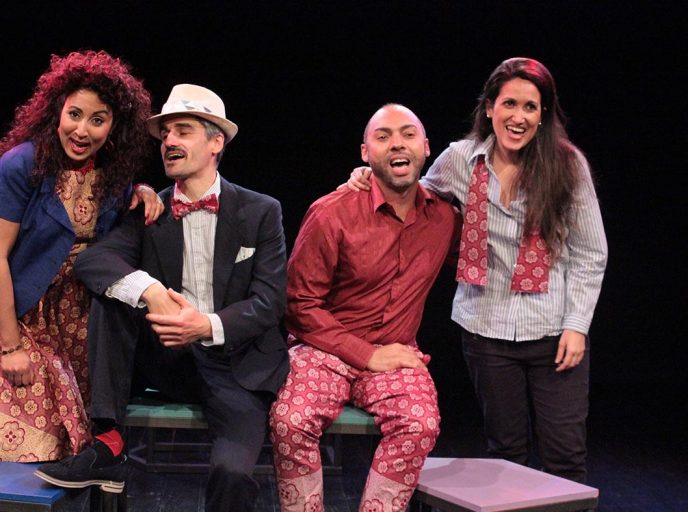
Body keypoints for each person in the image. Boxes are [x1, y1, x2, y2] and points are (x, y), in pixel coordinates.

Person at [348, 58, 608, 482]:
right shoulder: (462, 159)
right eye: (509, 104)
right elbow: (412, 193)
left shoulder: (567, 165)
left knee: (565, 456)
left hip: (554, 331)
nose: (518, 117)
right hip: (485, 329)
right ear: (490, 108)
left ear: (543, 115)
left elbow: (590, 252)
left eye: (530, 107)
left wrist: (577, 326)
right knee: (506, 452)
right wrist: (368, 176)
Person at [34, 84, 289, 508]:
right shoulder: (150, 210)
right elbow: (93, 262)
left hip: (236, 368)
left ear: (216, 143)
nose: (169, 141)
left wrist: (205, 325)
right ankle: (108, 443)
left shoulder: (261, 211)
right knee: (115, 293)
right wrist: (150, 290)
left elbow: (269, 302)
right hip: (168, 362)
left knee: (232, 472)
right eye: (166, 133)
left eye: (183, 131)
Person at [0, 50, 164, 463]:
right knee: (24, 447)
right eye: (74, 114)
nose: (82, 130)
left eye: (98, 119)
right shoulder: (23, 165)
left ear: (114, 126)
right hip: (15, 312)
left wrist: (143, 190)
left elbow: (117, 217)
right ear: (57, 111)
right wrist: (10, 346)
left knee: (75, 444)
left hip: (74, 318)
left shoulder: (113, 173)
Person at [270, 104, 457, 511]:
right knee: (290, 420)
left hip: (396, 350)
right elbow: (298, 304)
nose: (397, 144)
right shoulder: (331, 212)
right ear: (365, 153)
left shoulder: (444, 218)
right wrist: (366, 354)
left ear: (426, 147)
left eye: (408, 134)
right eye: (383, 136)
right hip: (323, 348)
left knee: (420, 423)